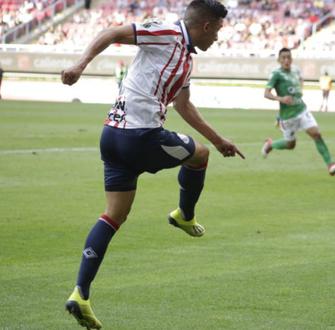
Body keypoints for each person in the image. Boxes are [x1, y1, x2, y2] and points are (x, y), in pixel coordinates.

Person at [60, 1, 244, 328]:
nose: (218, 36)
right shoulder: (168, 31)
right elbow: (113, 32)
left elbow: (184, 106)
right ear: (206, 26)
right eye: (217, 29)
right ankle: (184, 215)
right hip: (140, 135)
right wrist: (80, 65)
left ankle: (80, 293)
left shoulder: (186, 62)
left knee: (113, 215)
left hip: (112, 136)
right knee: (199, 156)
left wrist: (219, 139)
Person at [261, 48, 335, 176]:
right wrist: (281, 98)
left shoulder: (295, 71)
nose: (286, 60)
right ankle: (270, 145)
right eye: (283, 58)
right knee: (290, 144)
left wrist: (299, 90)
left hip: (302, 110)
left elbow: (300, 81)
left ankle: (330, 165)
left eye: (288, 57)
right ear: (279, 60)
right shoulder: (276, 74)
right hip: (288, 116)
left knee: (316, 134)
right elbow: (266, 93)